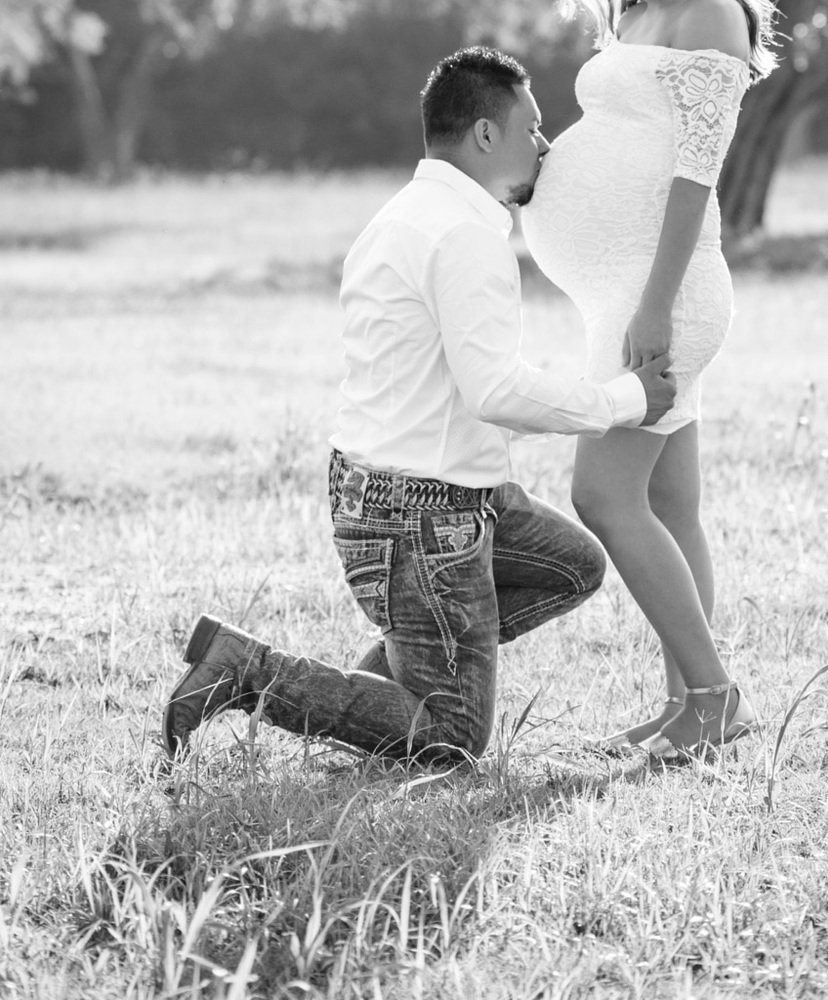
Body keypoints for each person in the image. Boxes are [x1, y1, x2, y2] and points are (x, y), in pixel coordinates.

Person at [162, 46, 678, 765]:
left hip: (408, 491)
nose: (544, 145)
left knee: (571, 565)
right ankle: (246, 670)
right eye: (531, 128)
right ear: (485, 135)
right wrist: (626, 399)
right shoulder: (464, 236)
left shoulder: (401, 216)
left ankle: (384, 688)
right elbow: (494, 390)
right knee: (451, 737)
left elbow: (442, 386)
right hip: (421, 514)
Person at [520, 0, 777, 759]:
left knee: (603, 494)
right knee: (670, 502)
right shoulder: (638, 13)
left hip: (658, 295)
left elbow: (698, 168)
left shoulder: (711, 14)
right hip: (624, 294)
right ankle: (684, 706)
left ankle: (712, 695)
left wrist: (656, 305)